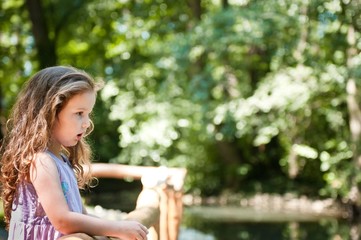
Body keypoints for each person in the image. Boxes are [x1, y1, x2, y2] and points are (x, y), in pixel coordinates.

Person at [0, 66, 149, 240]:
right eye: (79, 113)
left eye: (88, 114)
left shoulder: (61, 160)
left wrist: (117, 229)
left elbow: (81, 215)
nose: (86, 123)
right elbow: (62, 220)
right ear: (49, 112)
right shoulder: (41, 162)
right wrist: (117, 228)